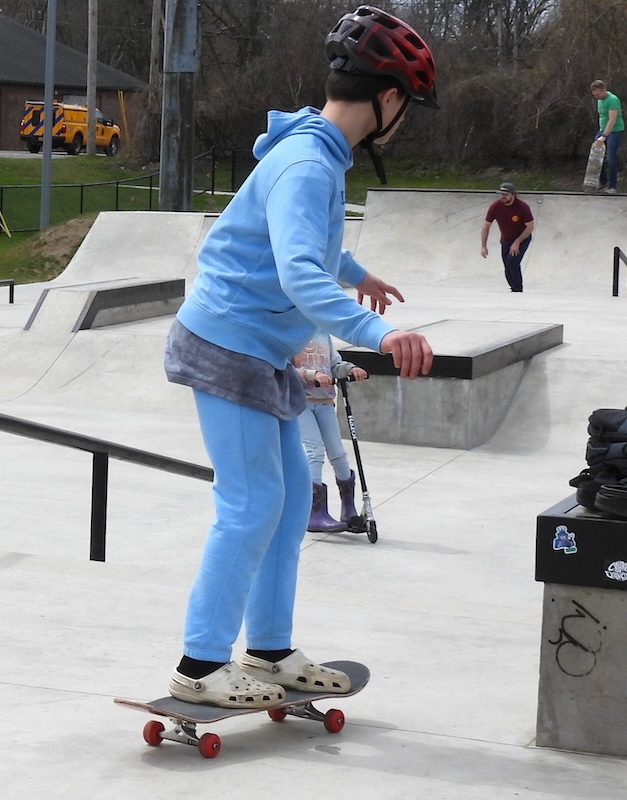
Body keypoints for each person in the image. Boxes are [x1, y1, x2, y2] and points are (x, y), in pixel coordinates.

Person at [162, 5, 436, 710]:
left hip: (257, 352)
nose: (403, 120)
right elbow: (297, 273)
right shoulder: (310, 163)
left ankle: (270, 649)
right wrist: (379, 333)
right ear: (388, 98)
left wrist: (357, 272)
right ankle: (200, 663)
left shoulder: (317, 152)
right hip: (228, 346)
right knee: (251, 505)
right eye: (406, 106)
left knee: (284, 506)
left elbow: (306, 241)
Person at [294, 332, 368, 533]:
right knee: (315, 452)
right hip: (300, 402)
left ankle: (349, 510)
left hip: (324, 402)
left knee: (338, 453)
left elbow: (334, 364)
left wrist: (350, 369)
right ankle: (314, 513)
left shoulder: (322, 334)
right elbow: (285, 368)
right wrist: (312, 375)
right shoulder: (292, 331)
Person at [480, 182, 535, 293]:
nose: (503, 197)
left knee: (512, 262)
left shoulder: (522, 207)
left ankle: (518, 289)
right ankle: (513, 288)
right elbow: (486, 226)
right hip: (506, 240)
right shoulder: (495, 206)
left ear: (513, 195)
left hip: (522, 238)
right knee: (507, 265)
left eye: (506, 195)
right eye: (501, 194)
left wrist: (517, 242)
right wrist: (483, 246)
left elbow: (530, 227)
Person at [590, 80, 625, 194]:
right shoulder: (599, 100)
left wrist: (604, 136)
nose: (596, 97)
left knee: (611, 158)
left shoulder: (612, 100)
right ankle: (603, 181)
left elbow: (612, 120)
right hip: (602, 130)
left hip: (614, 132)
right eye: (594, 95)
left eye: (598, 94)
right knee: (596, 156)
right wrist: (601, 133)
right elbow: (602, 117)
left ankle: (612, 186)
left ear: (603, 90)